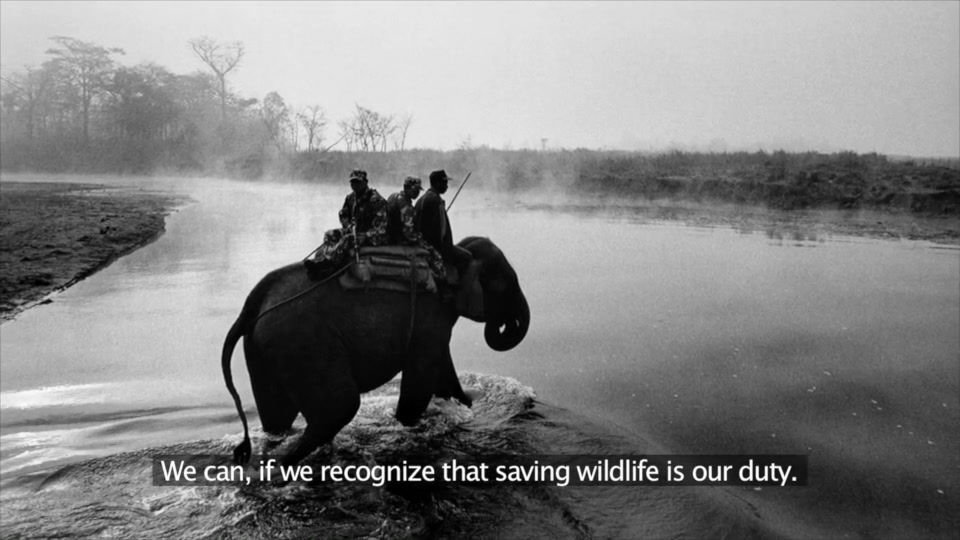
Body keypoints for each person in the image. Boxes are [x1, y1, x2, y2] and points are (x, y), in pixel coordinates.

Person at [306, 169, 387, 275]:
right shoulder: (351, 198)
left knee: (348, 239)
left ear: (365, 182)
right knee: (330, 234)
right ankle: (324, 257)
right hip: (355, 231)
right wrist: (347, 225)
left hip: (373, 236)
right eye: (352, 182)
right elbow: (343, 214)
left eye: (358, 182)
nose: (355, 185)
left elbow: (382, 228)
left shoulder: (376, 200)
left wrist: (366, 235)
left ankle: (329, 263)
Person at [414, 169, 472, 280]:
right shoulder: (436, 201)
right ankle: (455, 284)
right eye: (444, 183)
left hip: (423, 243)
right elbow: (442, 232)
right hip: (435, 247)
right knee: (466, 257)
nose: (447, 186)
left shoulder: (423, 198)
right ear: (437, 183)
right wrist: (445, 249)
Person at [386, 176, 445, 279]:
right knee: (436, 256)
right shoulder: (406, 206)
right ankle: (437, 279)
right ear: (406, 187)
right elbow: (408, 233)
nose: (417, 193)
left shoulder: (393, 197)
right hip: (402, 240)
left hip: (390, 237)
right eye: (415, 189)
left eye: (418, 190)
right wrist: (420, 239)